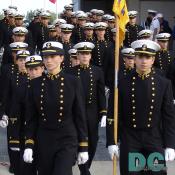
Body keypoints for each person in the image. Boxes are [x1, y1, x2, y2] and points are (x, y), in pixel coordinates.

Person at [107, 39, 175, 175]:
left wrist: (170, 144)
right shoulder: (122, 83)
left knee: (157, 172)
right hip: (131, 138)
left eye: (147, 57)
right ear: (135, 58)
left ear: (153, 59)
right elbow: (114, 114)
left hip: (153, 138)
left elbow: (169, 117)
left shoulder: (163, 84)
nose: (144, 61)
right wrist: (111, 141)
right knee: (133, 172)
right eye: (140, 56)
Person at [23, 41, 89, 175]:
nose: (48, 60)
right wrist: (29, 144)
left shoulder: (73, 82)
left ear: (62, 58)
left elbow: (80, 115)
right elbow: (31, 118)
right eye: (46, 57)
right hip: (44, 139)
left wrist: (83, 146)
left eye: (53, 56)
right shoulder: (35, 84)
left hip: (66, 138)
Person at [67, 41, 107, 175]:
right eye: (82, 54)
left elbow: (101, 93)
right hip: (74, 111)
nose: (85, 56)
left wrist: (103, 112)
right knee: (77, 139)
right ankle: (84, 171)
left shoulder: (97, 71)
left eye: (87, 54)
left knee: (93, 141)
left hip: (91, 111)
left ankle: (85, 165)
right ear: (77, 55)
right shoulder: (69, 72)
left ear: (90, 55)